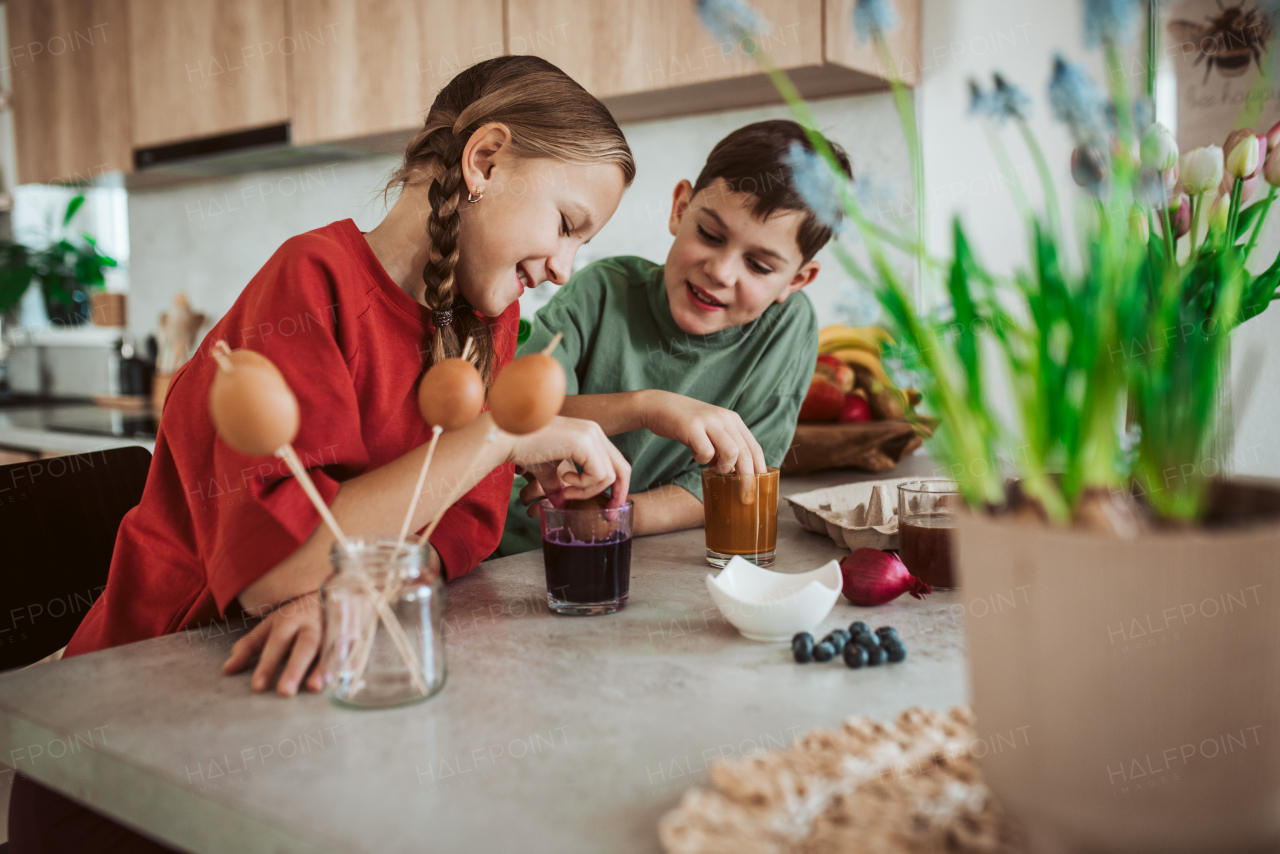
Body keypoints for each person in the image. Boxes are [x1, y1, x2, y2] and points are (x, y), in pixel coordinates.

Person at [9, 56, 634, 854]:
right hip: (134, 756)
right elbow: (278, 576)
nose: (563, 268)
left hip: (304, 721)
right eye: (568, 224)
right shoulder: (308, 284)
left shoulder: (484, 323)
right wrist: (507, 433)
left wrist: (356, 589)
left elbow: (464, 530)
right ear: (485, 160)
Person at [497, 120, 852, 554]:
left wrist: (611, 518)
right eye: (709, 235)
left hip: (627, 549)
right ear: (680, 208)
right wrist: (648, 407)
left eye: (759, 266)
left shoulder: (787, 328)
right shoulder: (601, 291)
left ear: (797, 280)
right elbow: (518, 416)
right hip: (516, 551)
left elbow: (737, 482)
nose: (720, 272)